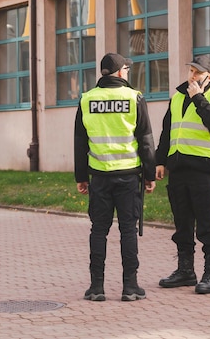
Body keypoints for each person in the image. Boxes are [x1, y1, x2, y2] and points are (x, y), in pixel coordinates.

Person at [74, 53, 156, 302]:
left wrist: (81, 177)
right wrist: (150, 174)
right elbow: (145, 140)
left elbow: (80, 142)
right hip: (129, 176)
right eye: (127, 70)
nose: (128, 73)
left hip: (99, 176)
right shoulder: (134, 97)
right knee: (128, 230)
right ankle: (130, 286)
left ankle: (96, 287)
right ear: (120, 72)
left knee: (98, 230)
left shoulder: (87, 99)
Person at [155, 55, 210, 294]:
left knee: (208, 224)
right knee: (182, 223)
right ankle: (185, 270)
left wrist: (198, 97)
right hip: (177, 169)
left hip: (202, 170)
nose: (192, 76)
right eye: (191, 71)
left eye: (198, 73)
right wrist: (160, 161)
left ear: (209, 76)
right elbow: (167, 131)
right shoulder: (177, 98)